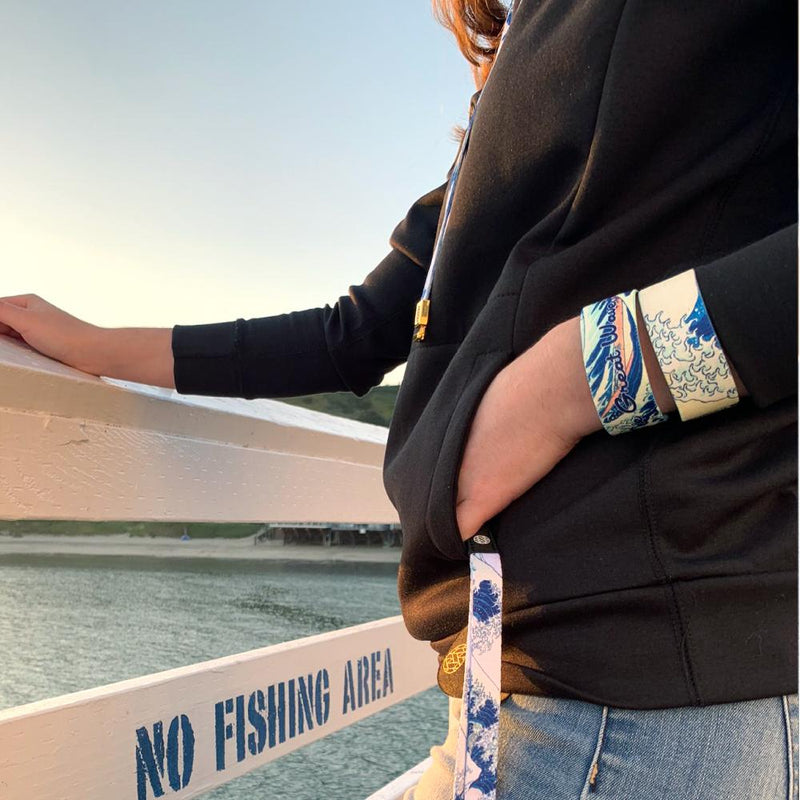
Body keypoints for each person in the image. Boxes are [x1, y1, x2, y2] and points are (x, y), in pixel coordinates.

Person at [0, 0, 796, 796]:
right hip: (514, 667)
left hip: (628, 693)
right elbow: (354, 332)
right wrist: (94, 345)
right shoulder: (514, 79)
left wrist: (581, 377)